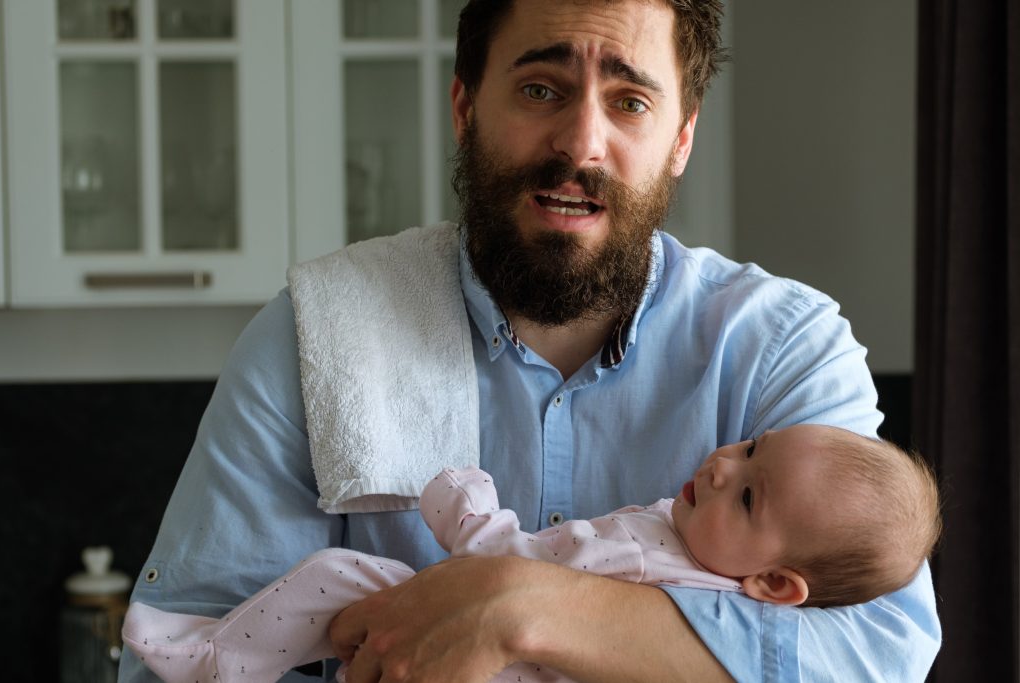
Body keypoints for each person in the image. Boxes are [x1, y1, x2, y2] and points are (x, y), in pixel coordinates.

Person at [119, 0, 942, 681]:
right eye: (542, 89)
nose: (581, 145)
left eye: (629, 102)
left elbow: (877, 652)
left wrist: (521, 606)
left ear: (681, 139)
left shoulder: (784, 347)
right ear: (465, 106)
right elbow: (185, 654)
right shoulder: (313, 339)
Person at [122, 425, 941, 683]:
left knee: (340, 578)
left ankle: (215, 662)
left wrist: (466, 511)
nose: (724, 465)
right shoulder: (686, 538)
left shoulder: (663, 573)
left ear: (772, 582)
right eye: (753, 446)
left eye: (750, 495)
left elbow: (518, 574)